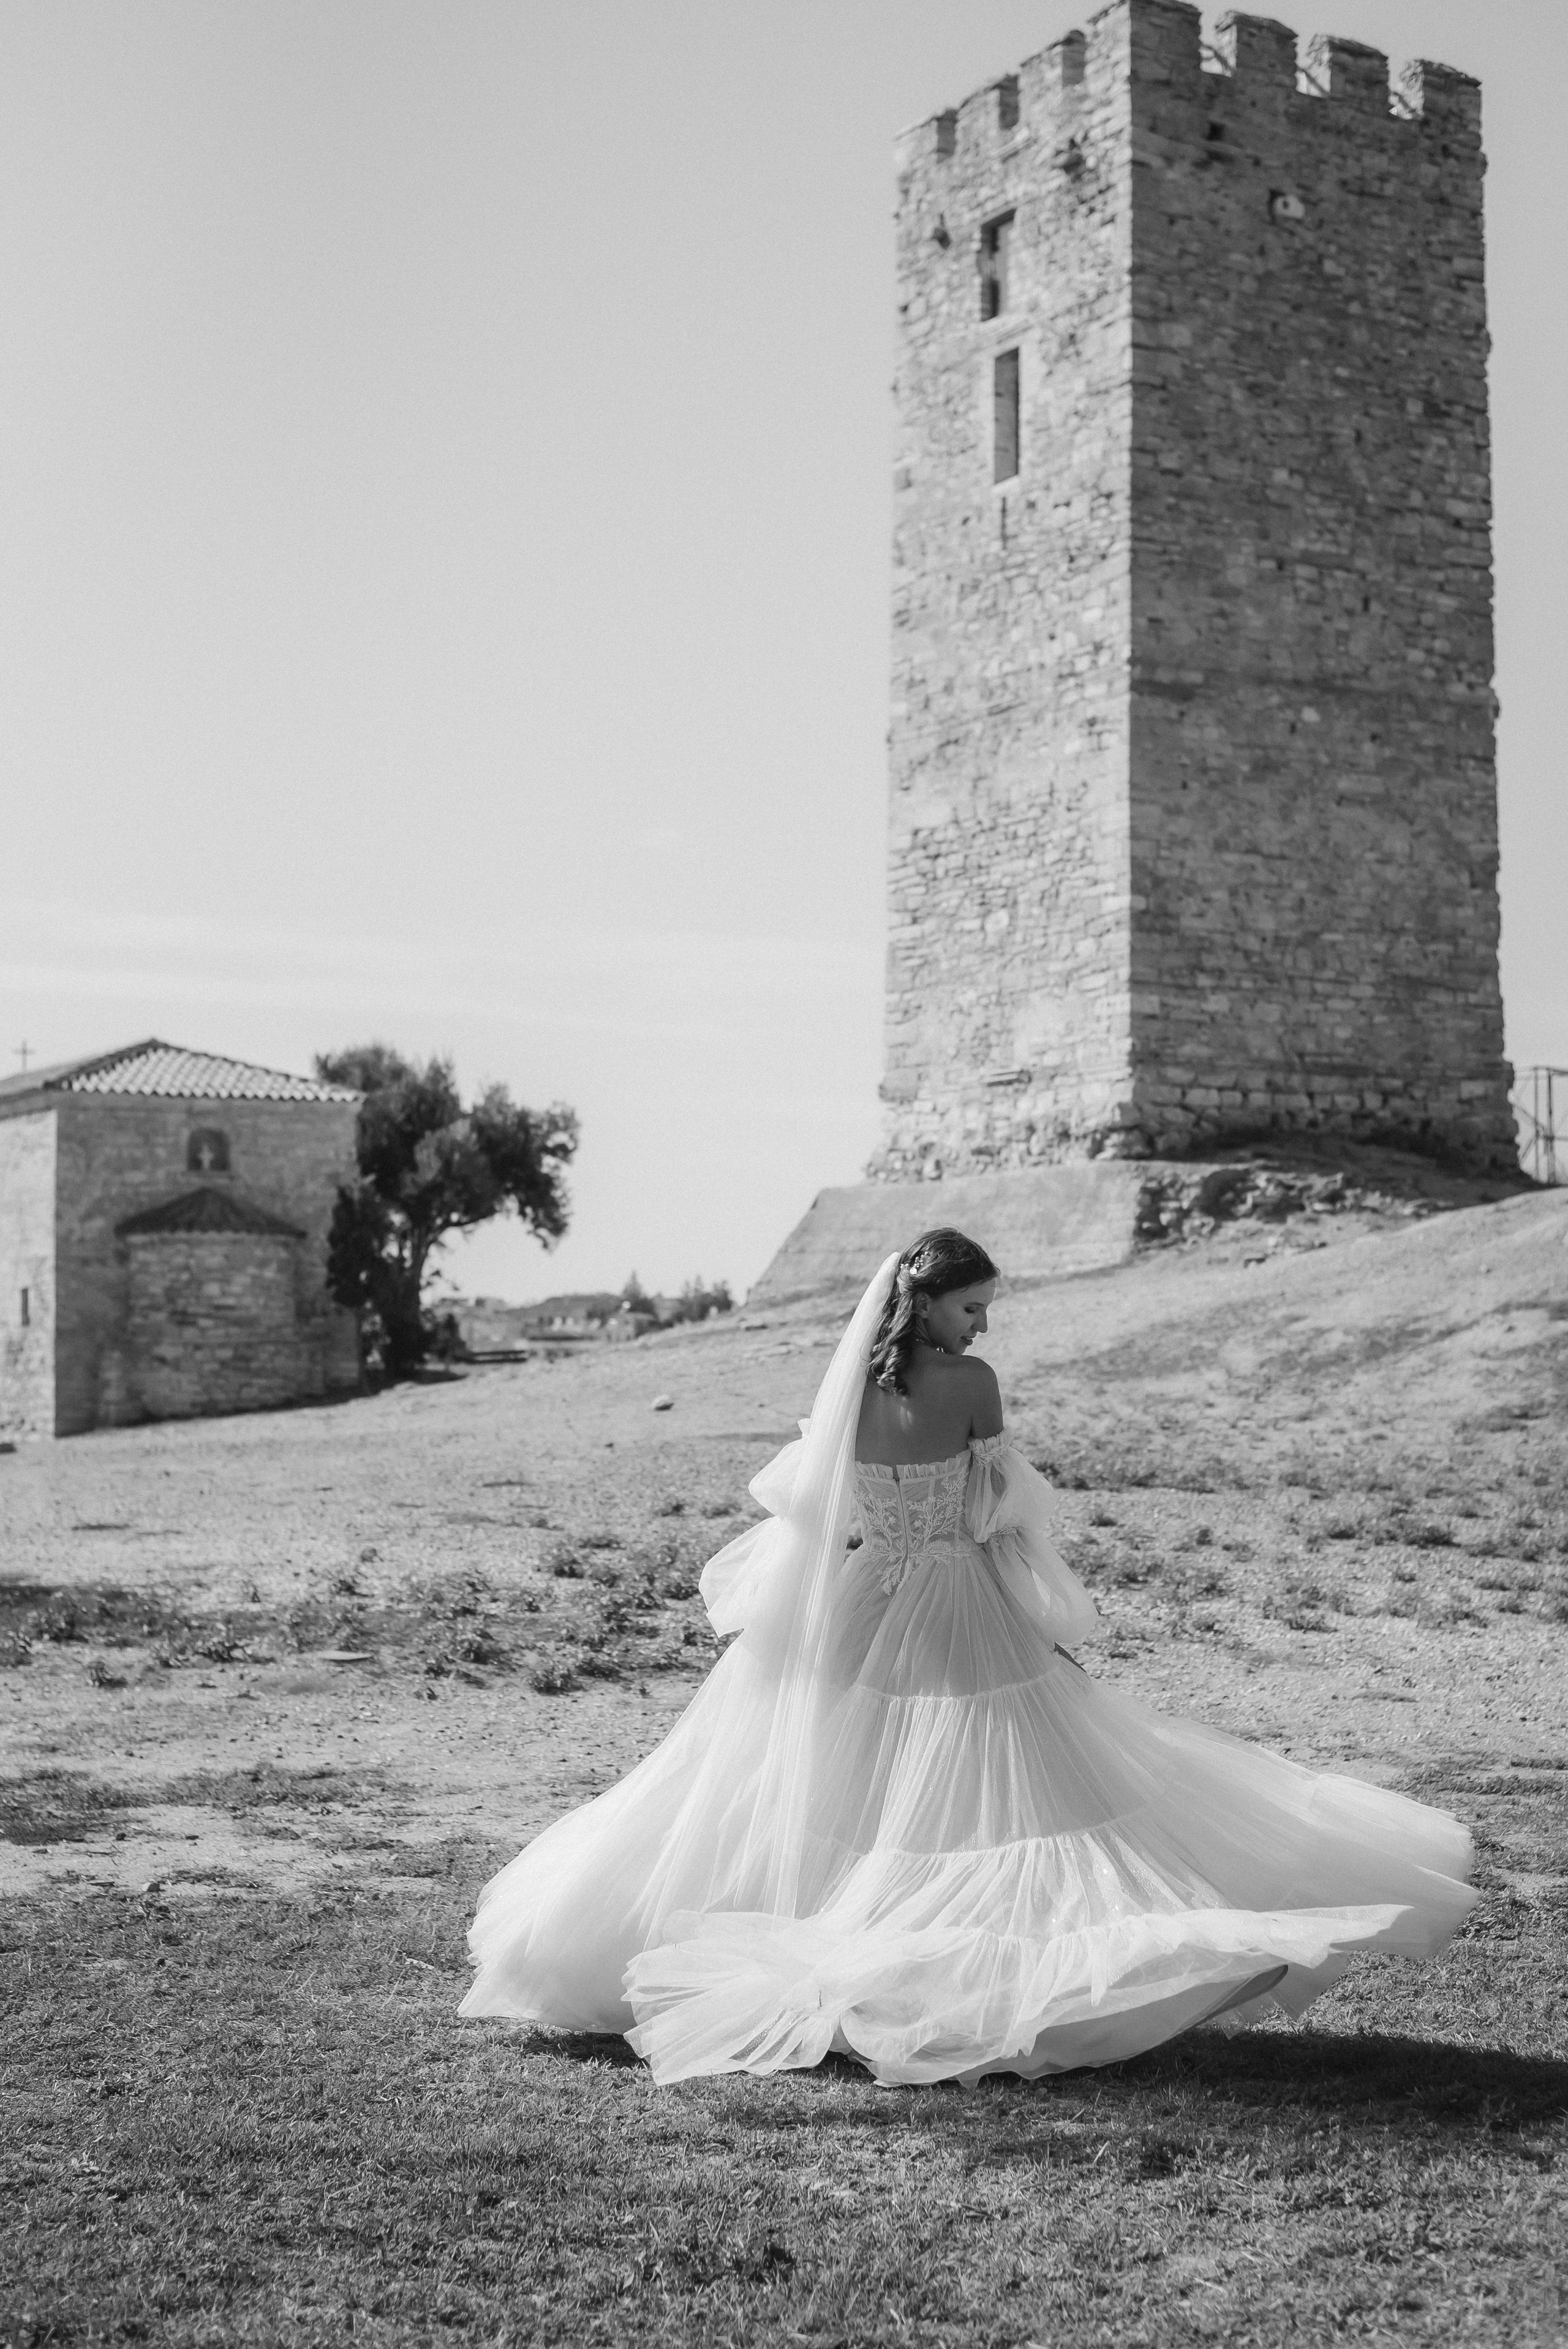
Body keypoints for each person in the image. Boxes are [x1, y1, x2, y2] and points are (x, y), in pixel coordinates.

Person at [460, 1229, 1474, 2085]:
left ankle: (786, 1929)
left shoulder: (850, 1391)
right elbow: (1001, 1519)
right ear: (930, 1302)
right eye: (973, 1308)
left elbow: (823, 1513)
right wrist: (1038, 1615)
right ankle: (994, 1969)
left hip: (865, 1596)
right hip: (956, 1597)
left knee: (847, 1781)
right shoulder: (972, 1385)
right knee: (1014, 1789)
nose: (982, 1327)